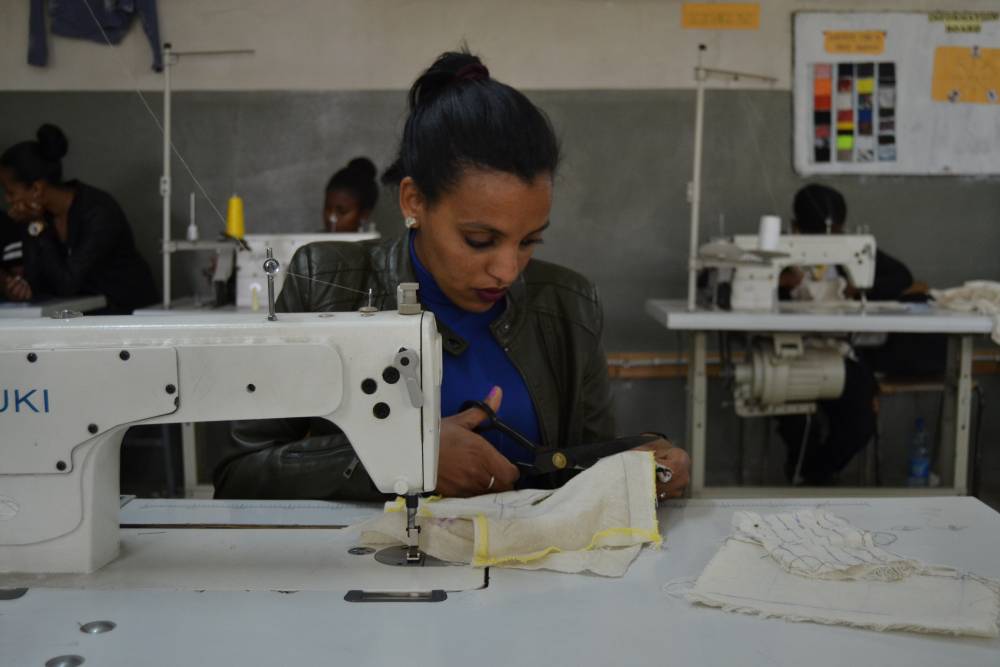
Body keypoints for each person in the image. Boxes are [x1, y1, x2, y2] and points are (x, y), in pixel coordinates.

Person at [214, 49, 690, 501]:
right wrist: (407, 458)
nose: (506, 271)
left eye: (529, 241)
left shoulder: (569, 305)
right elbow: (240, 474)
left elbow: (591, 470)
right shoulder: (323, 281)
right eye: (479, 240)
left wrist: (639, 473)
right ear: (413, 201)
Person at [776, 183, 942, 484]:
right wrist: (782, 283)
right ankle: (803, 474)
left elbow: (901, 276)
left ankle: (815, 477)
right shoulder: (777, 255)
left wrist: (858, 289)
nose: (830, 240)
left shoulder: (848, 253)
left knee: (860, 421)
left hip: (840, 353)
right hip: (788, 353)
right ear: (796, 228)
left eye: (836, 233)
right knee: (796, 420)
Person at [0, 124, 158, 314]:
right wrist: (21, 288)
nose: (7, 200)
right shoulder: (38, 217)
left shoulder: (98, 211)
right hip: (82, 315)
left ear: (36, 189)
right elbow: (37, 281)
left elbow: (67, 283)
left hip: (128, 316)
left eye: (10, 192)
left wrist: (39, 228)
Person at [322, 157, 378, 233]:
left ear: (364, 215)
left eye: (342, 211)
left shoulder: (377, 244)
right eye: (327, 209)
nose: (331, 218)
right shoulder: (310, 242)